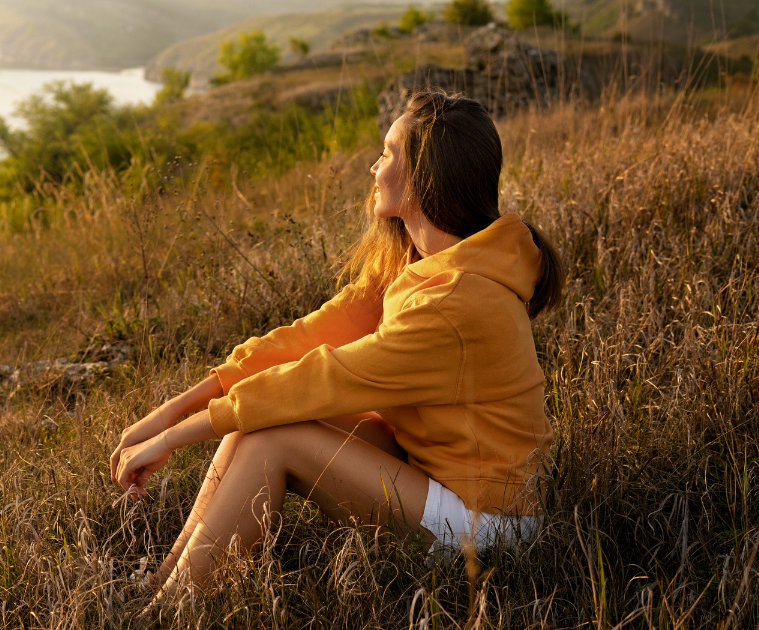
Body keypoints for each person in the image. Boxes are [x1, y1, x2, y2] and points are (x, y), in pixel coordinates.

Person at [109, 89, 564, 595]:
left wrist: (172, 439)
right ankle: (162, 584)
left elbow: (321, 379)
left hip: (491, 525)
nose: (374, 166)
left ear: (425, 177)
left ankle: (171, 610)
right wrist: (172, 410)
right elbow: (310, 335)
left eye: (387, 153)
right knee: (261, 423)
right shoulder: (423, 261)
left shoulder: (453, 301)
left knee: (274, 436)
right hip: (436, 471)